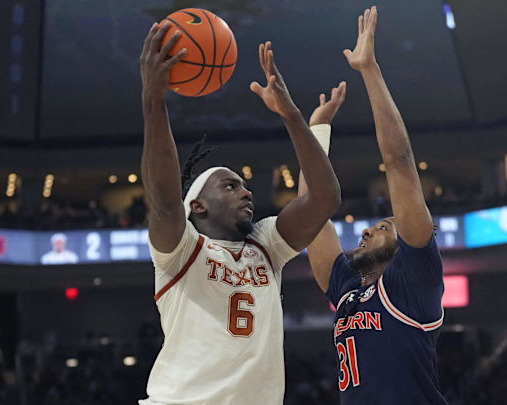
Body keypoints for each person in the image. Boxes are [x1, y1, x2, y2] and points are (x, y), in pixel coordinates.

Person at [138, 21, 345, 404]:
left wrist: (292, 116)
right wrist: (154, 97)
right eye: (230, 186)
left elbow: (324, 198)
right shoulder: (181, 250)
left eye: (244, 185)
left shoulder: (266, 243)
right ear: (197, 205)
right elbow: (165, 200)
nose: (245, 191)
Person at [298, 7, 447, 404]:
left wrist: (369, 70)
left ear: (409, 244)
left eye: (383, 226)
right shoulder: (348, 287)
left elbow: (399, 163)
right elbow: (307, 211)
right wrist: (317, 132)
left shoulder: (415, 280)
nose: (365, 230)